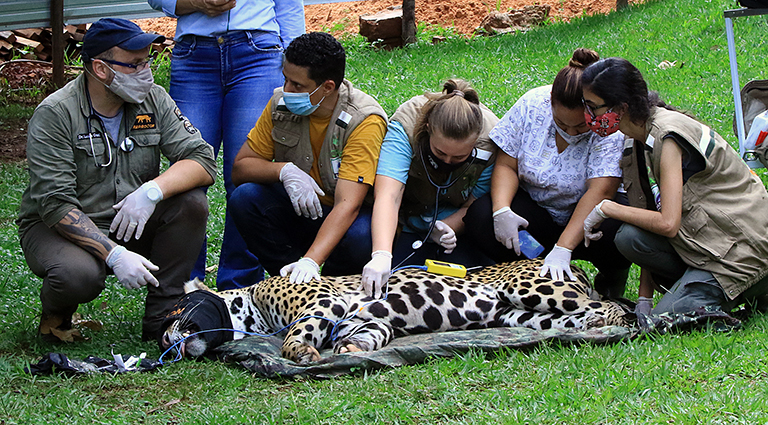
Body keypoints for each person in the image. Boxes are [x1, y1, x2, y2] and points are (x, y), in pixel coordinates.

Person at [17, 18, 217, 342]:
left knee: (191, 203)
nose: (146, 72)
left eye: (147, 61)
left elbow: (202, 159)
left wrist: (152, 191)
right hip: (59, 226)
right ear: (100, 69)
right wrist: (114, 254)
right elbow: (54, 203)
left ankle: (162, 320)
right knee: (78, 275)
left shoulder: (154, 99)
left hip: (129, 217)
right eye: (135, 64)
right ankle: (55, 318)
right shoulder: (55, 113)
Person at [580, 57, 768, 315]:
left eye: (593, 107)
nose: (588, 116)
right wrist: (643, 300)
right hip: (708, 243)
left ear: (621, 108)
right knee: (629, 237)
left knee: (666, 320)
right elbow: (646, 216)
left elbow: (668, 223)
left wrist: (606, 208)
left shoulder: (667, 136)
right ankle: (701, 288)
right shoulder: (636, 136)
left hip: (744, 251)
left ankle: (752, 289)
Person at [147, 0, 305, 290]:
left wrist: (294, 60)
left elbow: (288, 3)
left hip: (257, 52)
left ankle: (240, 291)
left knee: (246, 172)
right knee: (187, 173)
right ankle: (182, 290)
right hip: (194, 55)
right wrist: (192, 3)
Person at [464, 48, 631, 299]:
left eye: (580, 126)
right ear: (550, 102)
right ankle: (533, 267)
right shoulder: (533, 103)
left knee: (619, 231)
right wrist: (501, 211)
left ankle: (610, 276)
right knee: (482, 215)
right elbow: (507, 164)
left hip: (589, 221)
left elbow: (601, 190)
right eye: (562, 124)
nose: (571, 133)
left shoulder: (606, 124)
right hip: (539, 212)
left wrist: (564, 247)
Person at [229, 32, 388, 284]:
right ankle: (290, 284)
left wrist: (311, 260)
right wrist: (284, 170)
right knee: (245, 199)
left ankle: (333, 285)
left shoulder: (364, 121)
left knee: (361, 236)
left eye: (297, 85)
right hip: (302, 210)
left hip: (346, 217)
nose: (287, 90)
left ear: (327, 87)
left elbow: (349, 205)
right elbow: (241, 168)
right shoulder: (280, 103)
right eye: (285, 80)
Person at [360, 79, 498, 297]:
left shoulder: (490, 140)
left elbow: (475, 204)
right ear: (427, 129)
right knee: (400, 285)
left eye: (459, 156)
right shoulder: (405, 126)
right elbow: (389, 195)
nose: (448, 161)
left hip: (456, 222)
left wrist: (447, 227)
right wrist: (381, 255)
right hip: (408, 217)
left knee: (463, 289)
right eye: (440, 152)